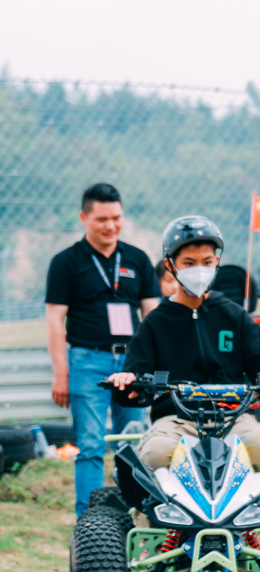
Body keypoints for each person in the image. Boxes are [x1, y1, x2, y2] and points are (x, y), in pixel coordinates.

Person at [106, 216, 260, 490]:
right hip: (175, 419)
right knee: (153, 456)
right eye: (189, 263)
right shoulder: (155, 322)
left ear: (216, 262)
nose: (199, 270)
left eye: (206, 262)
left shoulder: (234, 315)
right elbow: (136, 369)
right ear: (170, 265)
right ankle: (148, 519)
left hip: (233, 416)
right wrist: (127, 381)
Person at [45, 183, 160, 516]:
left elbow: (153, 317)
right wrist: (61, 373)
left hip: (133, 363)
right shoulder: (66, 262)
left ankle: (135, 515)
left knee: (133, 441)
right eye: (102, 219)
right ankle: (90, 520)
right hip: (87, 361)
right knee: (91, 443)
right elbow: (54, 320)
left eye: (116, 218)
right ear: (84, 218)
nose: (111, 226)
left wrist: (153, 364)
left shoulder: (137, 259)